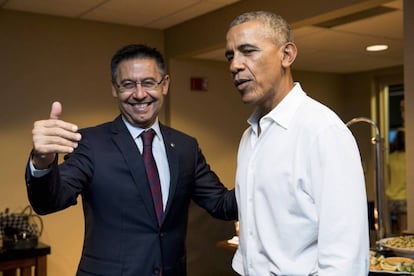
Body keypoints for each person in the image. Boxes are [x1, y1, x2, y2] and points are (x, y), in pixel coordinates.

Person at [25, 44, 237, 276]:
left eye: (148, 82)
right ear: (115, 89)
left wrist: (269, 167)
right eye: (128, 84)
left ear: (164, 84)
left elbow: (222, 205)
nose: (139, 94)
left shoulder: (185, 147)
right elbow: (49, 201)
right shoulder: (90, 143)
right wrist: (42, 160)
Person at [224, 11, 369, 275]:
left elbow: (345, 256)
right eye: (231, 55)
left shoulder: (322, 131)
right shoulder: (249, 137)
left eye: (248, 51)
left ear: (287, 55)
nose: (235, 65)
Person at [386, 97, 406, 233]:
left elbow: (388, 178)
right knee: (406, 229)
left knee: (399, 227)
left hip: (393, 199)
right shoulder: (409, 159)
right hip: (405, 198)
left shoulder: (390, 158)